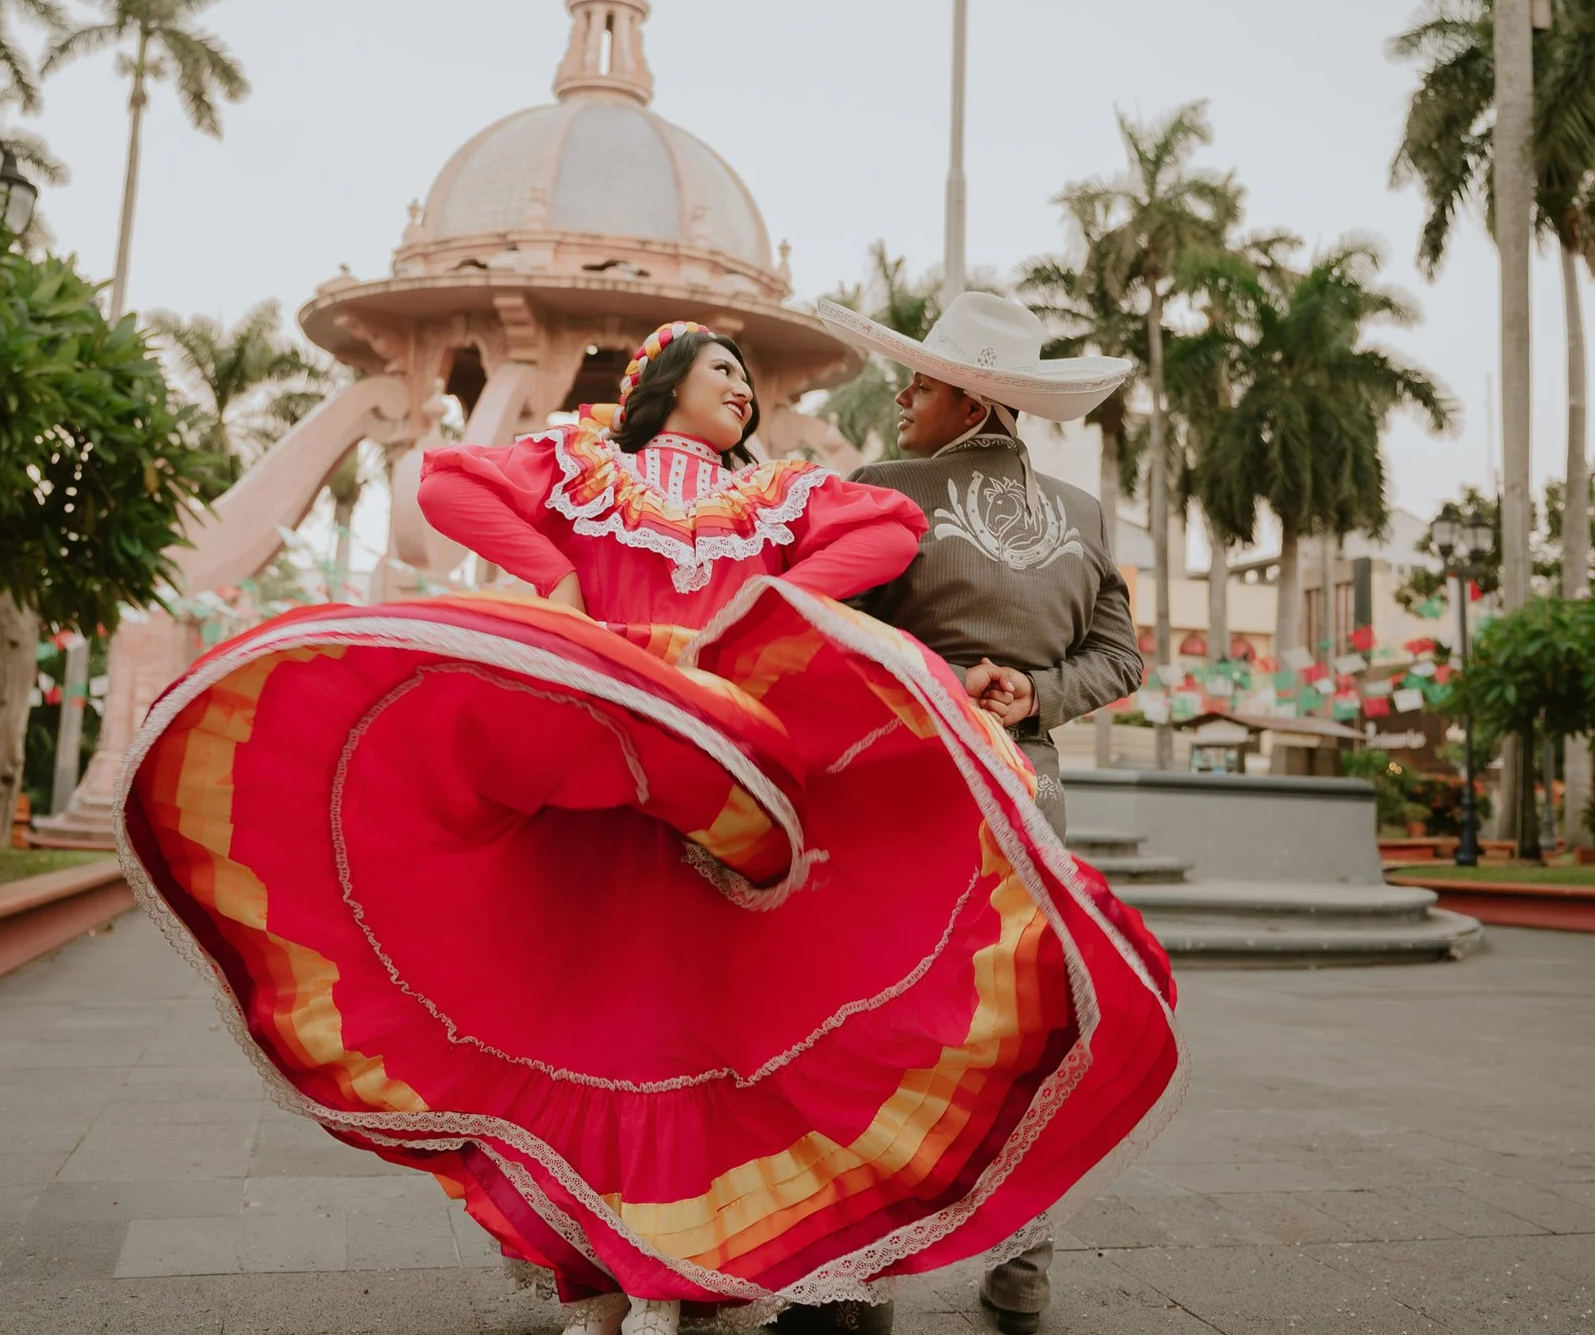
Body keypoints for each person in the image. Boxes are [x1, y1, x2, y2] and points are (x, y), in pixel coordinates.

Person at [117, 320, 1183, 1335]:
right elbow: (448, 482)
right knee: (630, 1020)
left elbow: (885, 539)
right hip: (640, 776)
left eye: (747, 377)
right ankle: (653, 1268)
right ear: (661, 383)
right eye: (723, 371)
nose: (744, 389)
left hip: (738, 778)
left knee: (696, 1023)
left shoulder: (802, 490)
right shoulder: (593, 466)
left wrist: (763, 614)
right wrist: (564, 581)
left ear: (969, 397)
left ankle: (723, 1274)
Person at [819, 290, 1148, 1335]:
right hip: (1030, 801)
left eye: (919, 384)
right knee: (1019, 1032)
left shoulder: (882, 492)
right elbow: (1120, 659)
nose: (902, 397)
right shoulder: (1084, 515)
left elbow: (834, 634)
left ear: (969, 401)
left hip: (908, 794)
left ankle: (862, 1278)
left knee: (880, 1028)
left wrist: (940, 681)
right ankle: (1022, 1264)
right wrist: (1033, 692)